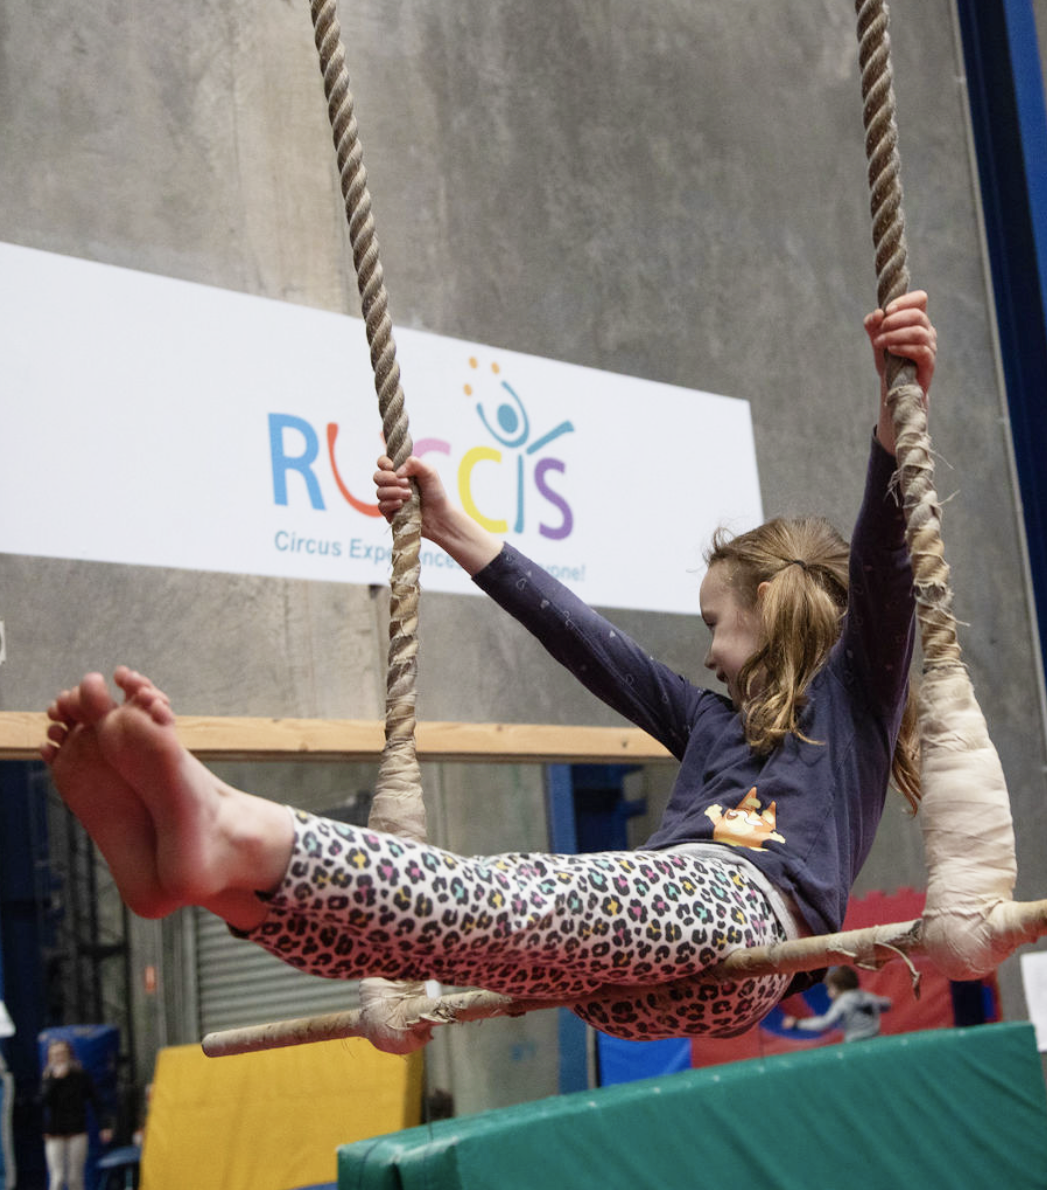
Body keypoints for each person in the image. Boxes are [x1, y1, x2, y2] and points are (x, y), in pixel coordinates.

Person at [39, 293, 935, 1042]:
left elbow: (886, 572)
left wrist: (893, 412)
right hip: (627, 980)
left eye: (715, 622)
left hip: (741, 923)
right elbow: (586, 642)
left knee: (510, 900)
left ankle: (237, 829)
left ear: (772, 603)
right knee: (456, 941)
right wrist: (453, 528)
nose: (705, 650)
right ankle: (230, 891)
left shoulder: (849, 705)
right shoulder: (707, 722)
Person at [40, 1039, 111, 1190]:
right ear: (50, 1058)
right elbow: (44, 1101)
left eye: (62, 1054)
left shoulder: (80, 1076)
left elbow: (96, 1101)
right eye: (55, 1055)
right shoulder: (47, 1078)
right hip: (55, 1132)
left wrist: (105, 1126)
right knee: (57, 1178)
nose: (59, 1058)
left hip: (77, 1129)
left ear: (69, 1055)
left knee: (75, 1178)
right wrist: (55, 1080)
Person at [780, 965, 892, 1040]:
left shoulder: (843, 1001)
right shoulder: (866, 996)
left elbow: (825, 1022)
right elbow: (887, 1004)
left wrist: (797, 1024)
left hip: (857, 1041)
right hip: (876, 1037)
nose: (828, 993)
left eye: (830, 988)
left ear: (839, 987)